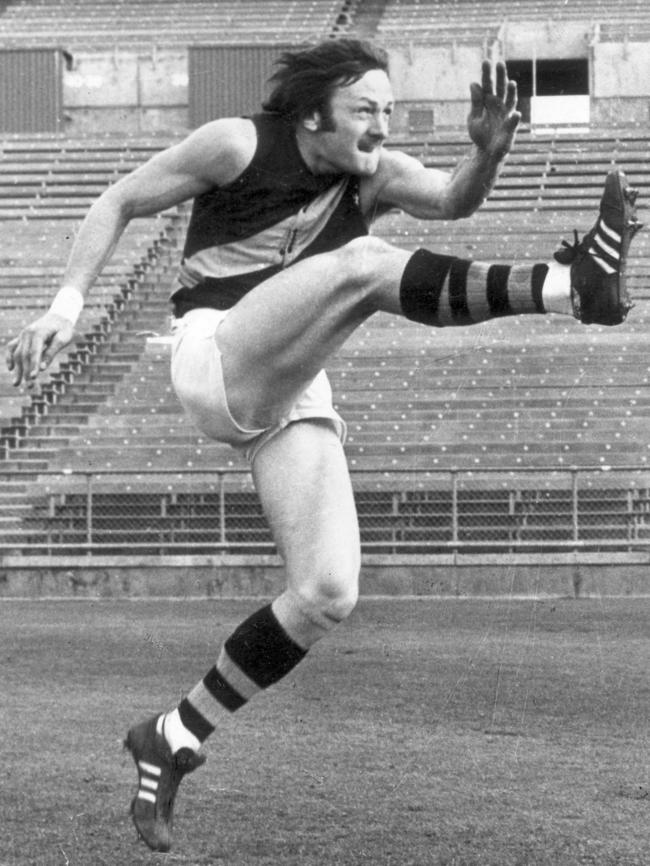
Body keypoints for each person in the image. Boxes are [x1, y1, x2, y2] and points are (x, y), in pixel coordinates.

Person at [5, 38, 642, 853]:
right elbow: (119, 201)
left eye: (387, 108)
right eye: (364, 111)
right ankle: (567, 287)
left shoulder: (371, 175)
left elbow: (452, 200)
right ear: (313, 115)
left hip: (291, 385)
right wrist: (66, 306)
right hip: (216, 351)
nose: (382, 126)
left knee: (326, 591)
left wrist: (485, 156)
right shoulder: (239, 143)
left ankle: (172, 733)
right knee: (363, 262)